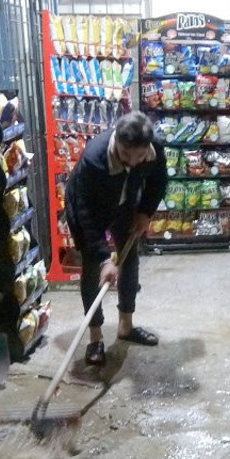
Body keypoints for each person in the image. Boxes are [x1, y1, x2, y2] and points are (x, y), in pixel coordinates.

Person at [63, 111, 168, 367]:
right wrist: (103, 259)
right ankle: (95, 337)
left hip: (125, 203)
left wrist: (145, 212)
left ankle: (125, 326)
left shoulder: (154, 147)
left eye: (139, 157)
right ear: (116, 141)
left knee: (129, 259)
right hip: (89, 208)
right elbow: (86, 214)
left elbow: (159, 180)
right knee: (93, 270)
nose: (132, 162)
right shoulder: (94, 158)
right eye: (125, 155)